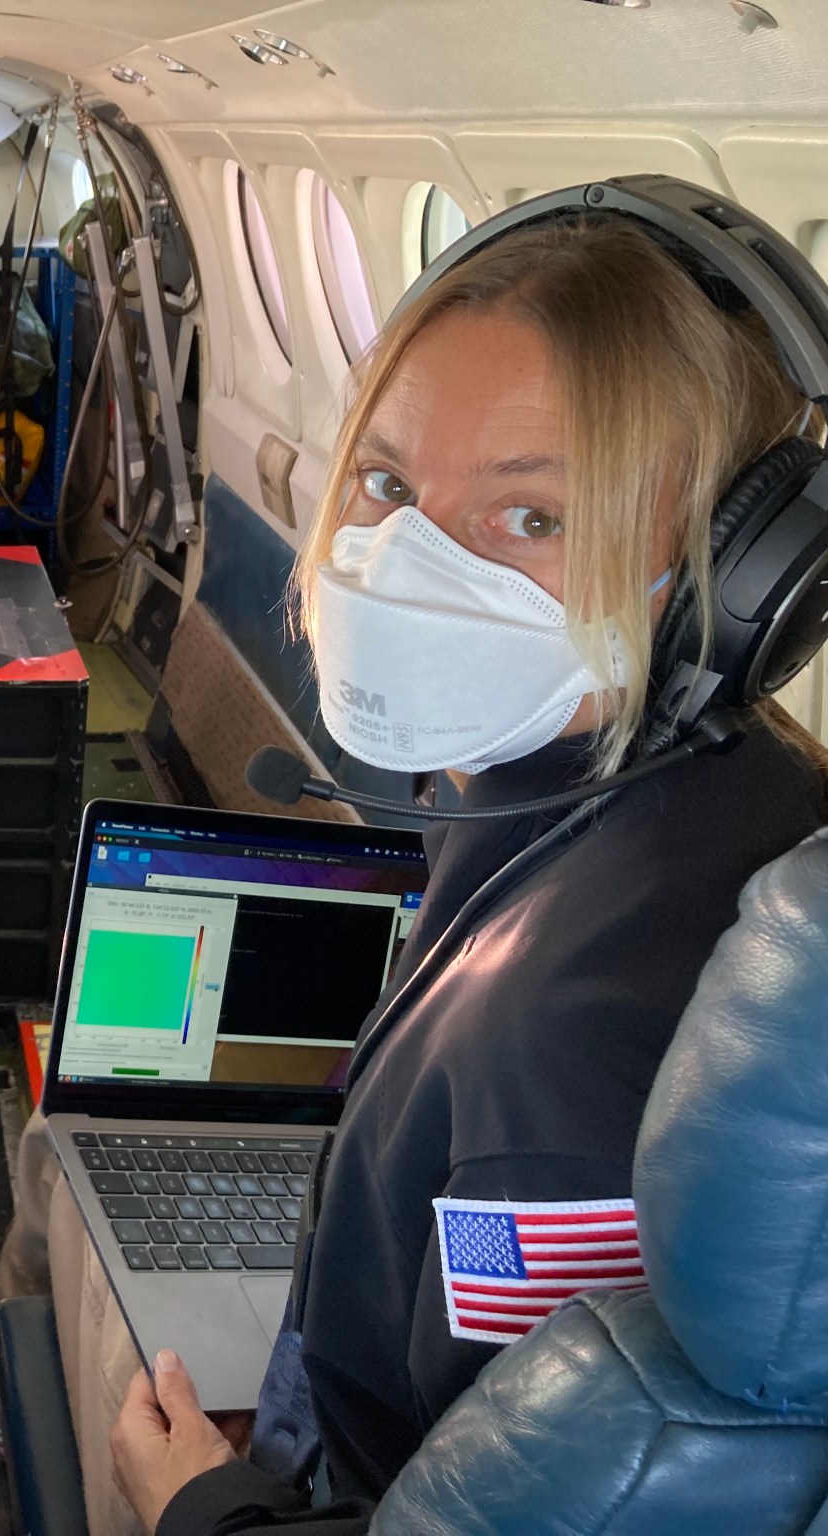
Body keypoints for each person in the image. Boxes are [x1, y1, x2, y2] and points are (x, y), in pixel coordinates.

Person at [97, 210, 828, 1533]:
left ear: (735, 584)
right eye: (384, 484)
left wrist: (201, 1511)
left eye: (532, 513)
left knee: (80, 1265)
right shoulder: (686, 793)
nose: (405, 566)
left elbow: (480, 1491)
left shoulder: (560, 1061)